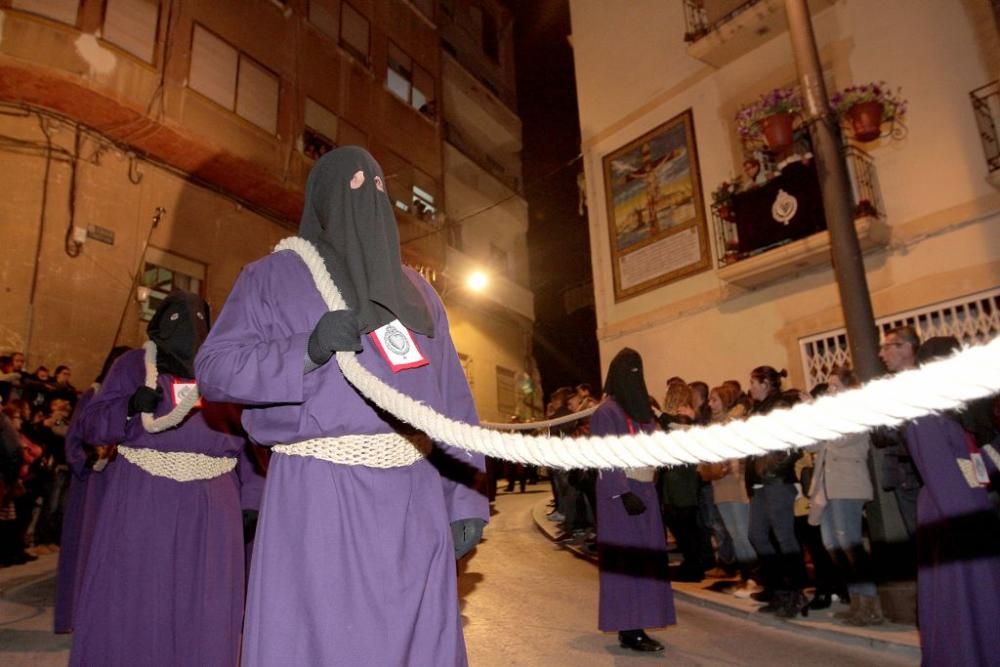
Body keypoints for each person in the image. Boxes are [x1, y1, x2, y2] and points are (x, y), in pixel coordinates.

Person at [195, 147, 488, 666]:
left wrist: (464, 498)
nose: (367, 197)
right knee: (327, 638)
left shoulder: (418, 292)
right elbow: (215, 367)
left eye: (378, 187)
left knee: (414, 636)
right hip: (319, 497)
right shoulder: (271, 276)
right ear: (323, 199)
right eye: (354, 184)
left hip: (412, 497)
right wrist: (303, 350)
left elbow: (453, 403)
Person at [69, 292, 245, 667]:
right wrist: (129, 407)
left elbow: (249, 437)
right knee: (137, 594)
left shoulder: (221, 366)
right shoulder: (133, 365)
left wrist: (252, 501)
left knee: (204, 600)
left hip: (214, 501)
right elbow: (90, 425)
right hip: (145, 495)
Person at [904, 337, 1000, 666]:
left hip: (968, 509)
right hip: (952, 517)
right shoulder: (924, 415)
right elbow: (943, 475)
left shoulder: (952, 412)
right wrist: (971, 527)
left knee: (979, 600)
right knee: (961, 602)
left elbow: (975, 469)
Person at [592, 348, 675, 652]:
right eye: (629, 370)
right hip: (621, 497)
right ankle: (630, 628)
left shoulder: (642, 412)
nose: (634, 376)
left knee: (648, 559)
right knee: (627, 561)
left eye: (638, 369)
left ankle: (642, 621)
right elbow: (605, 455)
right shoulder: (606, 412)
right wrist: (622, 491)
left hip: (646, 493)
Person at [54, 345, 131, 633]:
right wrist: (92, 458)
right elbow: (74, 440)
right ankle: (80, 615)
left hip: (123, 482)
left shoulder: (131, 400)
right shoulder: (94, 395)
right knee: (89, 544)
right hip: (95, 485)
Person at [807, 366, 881, 625]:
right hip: (826, 487)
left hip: (848, 485)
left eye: (835, 386)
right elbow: (812, 445)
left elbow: (840, 440)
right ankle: (856, 599)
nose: (830, 390)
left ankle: (871, 603)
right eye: (829, 386)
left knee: (849, 543)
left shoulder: (857, 413)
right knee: (832, 545)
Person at [744, 366, 807, 617]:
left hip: (776, 481)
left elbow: (786, 447)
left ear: (765, 383)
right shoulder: (758, 409)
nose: (750, 387)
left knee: (784, 537)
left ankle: (794, 592)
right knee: (757, 534)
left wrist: (768, 469)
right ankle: (775, 585)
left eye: (753, 382)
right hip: (760, 483)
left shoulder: (779, 406)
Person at [874, 325, 923, 538]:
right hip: (903, 472)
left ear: (906, 348)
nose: (881, 354)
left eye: (887, 347)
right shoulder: (887, 387)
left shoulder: (927, 381)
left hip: (922, 467)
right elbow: (879, 436)